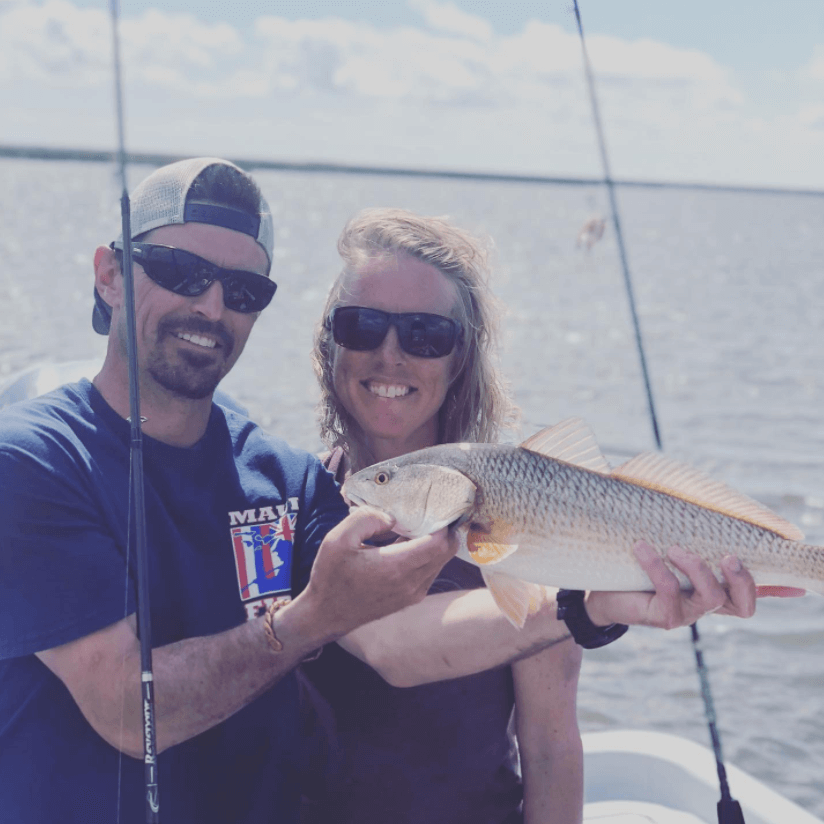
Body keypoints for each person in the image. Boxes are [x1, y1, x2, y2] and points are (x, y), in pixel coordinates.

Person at [0, 159, 457, 824]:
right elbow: (131, 712)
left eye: (243, 290)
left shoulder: (284, 476)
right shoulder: (31, 460)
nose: (210, 307)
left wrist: (580, 606)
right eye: (182, 272)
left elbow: (400, 640)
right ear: (110, 275)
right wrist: (307, 620)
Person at [299, 208, 762, 824]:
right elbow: (392, 646)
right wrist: (582, 605)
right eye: (361, 326)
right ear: (330, 340)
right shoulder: (295, 494)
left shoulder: (530, 511)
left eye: (425, 335)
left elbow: (548, 747)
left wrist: (588, 601)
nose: (391, 356)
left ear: (460, 357)